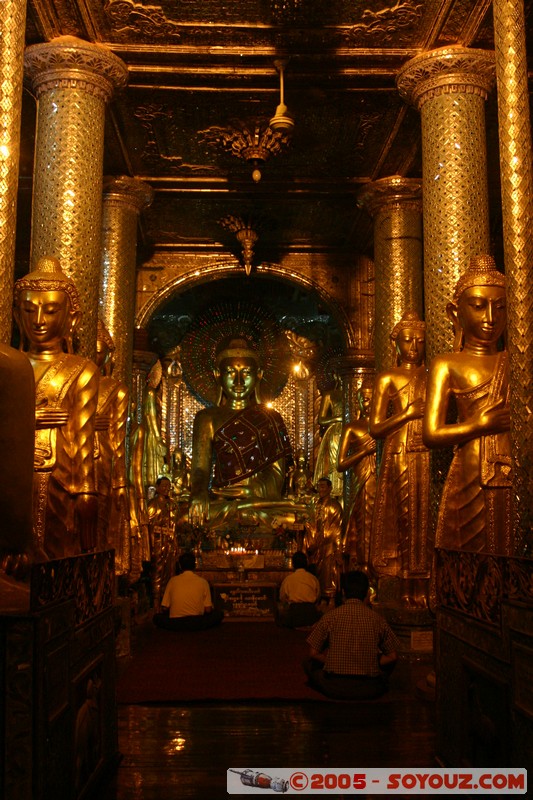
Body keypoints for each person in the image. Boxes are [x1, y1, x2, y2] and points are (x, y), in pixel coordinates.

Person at [423, 254, 514, 555]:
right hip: (469, 471)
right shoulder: (446, 364)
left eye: (500, 307)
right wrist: (478, 425)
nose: (491, 317)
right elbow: (432, 433)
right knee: (467, 556)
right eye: (478, 306)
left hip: (515, 469)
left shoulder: (516, 362)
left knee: (512, 546)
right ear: (455, 312)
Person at [13, 256, 99, 559]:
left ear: (70, 319)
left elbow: (84, 436)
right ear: (16, 314)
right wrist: (27, 419)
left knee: (57, 551)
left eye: (50, 311)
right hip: (10, 474)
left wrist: (88, 490)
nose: (38, 320)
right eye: (28, 310)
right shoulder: (9, 365)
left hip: (60, 478)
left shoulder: (82, 369)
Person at [188, 337, 296, 532]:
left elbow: (277, 474)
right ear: (217, 375)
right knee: (184, 519)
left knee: (289, 517)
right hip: (222, 500)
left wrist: (252, 490)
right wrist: (198, 493)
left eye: (246, 373)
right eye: (230, 373)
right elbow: (200, 470)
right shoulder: (207, 418)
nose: (238, 381)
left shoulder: (271, 418)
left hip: (258, 502)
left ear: (259, 375)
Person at [369, 310, 431, 608]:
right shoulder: (388, 378)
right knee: (405, 516)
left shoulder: (432, 374)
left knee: (424, 518)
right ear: (396, 343)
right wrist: (405, 414)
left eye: (420, 340)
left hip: (428, 451)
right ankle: (405, 583)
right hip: (400, 451)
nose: (414, 347)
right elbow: (376, 428)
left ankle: (425, 583)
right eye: (408, 340)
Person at [303, 570, 399, 700]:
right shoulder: (377, 619)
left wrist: (332, 661)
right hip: (369, 687)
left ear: (343, 593)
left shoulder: (330, 617)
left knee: (309, 664)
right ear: (366, 593)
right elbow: (392, 657)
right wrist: (372, 661)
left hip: (335, 687)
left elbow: (313, 654)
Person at [94, 320, 130, 570]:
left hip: (101, 459)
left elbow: (118, 440)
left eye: (99, 351)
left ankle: (100, 570)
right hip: (62, 456)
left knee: (101, 520)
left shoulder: (114, 389)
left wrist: (120, 482)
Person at [337, 379, 377, 573]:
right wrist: (363, 452)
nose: (369, 404)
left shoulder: (384, 425)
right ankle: (363, 566)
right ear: (359, 402)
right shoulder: (352, 428)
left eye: (373, 399)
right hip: (363, 480)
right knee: (363, 526)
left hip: (381, 482)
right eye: (365, 400)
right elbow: (340, 464)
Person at [153, 551, 223, 631]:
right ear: (195, 565)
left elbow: (165, 608)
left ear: (180, 566)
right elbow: (208, 610)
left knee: (157, 618)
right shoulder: (203, 582)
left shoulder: (173, 581)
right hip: (196, 622)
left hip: (176, 623)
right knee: (218, 614)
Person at [304, 477, 344, 602]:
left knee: (328, 572)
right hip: (316, 545)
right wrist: (310, 528)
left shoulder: (334, 505)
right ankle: (318, 598)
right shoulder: (316, 505)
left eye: (323, 486)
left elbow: (337, 528)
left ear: (330, 488)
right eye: (319, 486)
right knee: (317, 572)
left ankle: (330, 599)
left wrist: (324, 538)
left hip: (329, 545)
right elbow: (312, 522)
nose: (320, 489)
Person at [148, 476, 178, 610]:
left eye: (168, 486)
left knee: (170, 570)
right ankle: (156, 599)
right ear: (158, 487)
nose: (166, 488)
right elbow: (148, 526)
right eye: (164, 486)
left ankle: (168, 600)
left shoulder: (172, 504)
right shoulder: (152, 504)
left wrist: (175, 543)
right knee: (157, 570)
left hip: (170, 542)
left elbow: (175, 527)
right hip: (158, 542)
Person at [313, 370, 344, 498]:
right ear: (335, 375)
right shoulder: (330, 395)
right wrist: (339, 418)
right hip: (335, 433)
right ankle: (334, 491)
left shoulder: (353, 393)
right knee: (335, 464)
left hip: (350, 430)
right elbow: (321, 419)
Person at [276, 551, 321, 628]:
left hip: (294, 614)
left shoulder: (288, 579)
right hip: (311, 614)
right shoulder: (313, 578)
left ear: (293, 564)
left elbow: (282, 598)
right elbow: (318, 596)